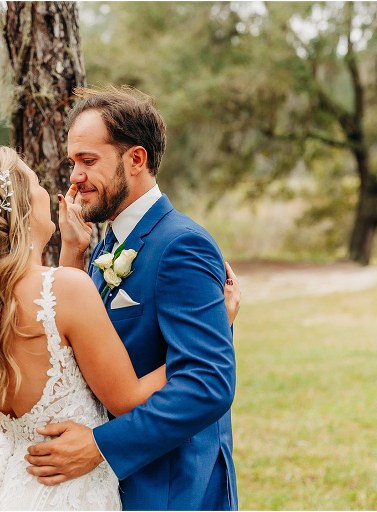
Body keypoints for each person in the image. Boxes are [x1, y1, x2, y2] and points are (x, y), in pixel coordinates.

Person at [0, 146, 240, 510]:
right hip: (66, 492)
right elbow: (127, 397)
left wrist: (73, 251)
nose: (62, 183)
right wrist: (217, 327)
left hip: (8, 487)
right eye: (37, 183)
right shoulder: (65, 290)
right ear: (21, 204)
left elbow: (61, 342)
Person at [25, 86, 239, 511]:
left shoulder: (182, 245)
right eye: (72, 162)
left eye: (88, 161)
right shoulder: (107, 246)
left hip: (171, 486)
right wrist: (75, 253)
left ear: (135, 160)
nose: (74, 176)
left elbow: (208, 383)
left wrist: (100, 446)